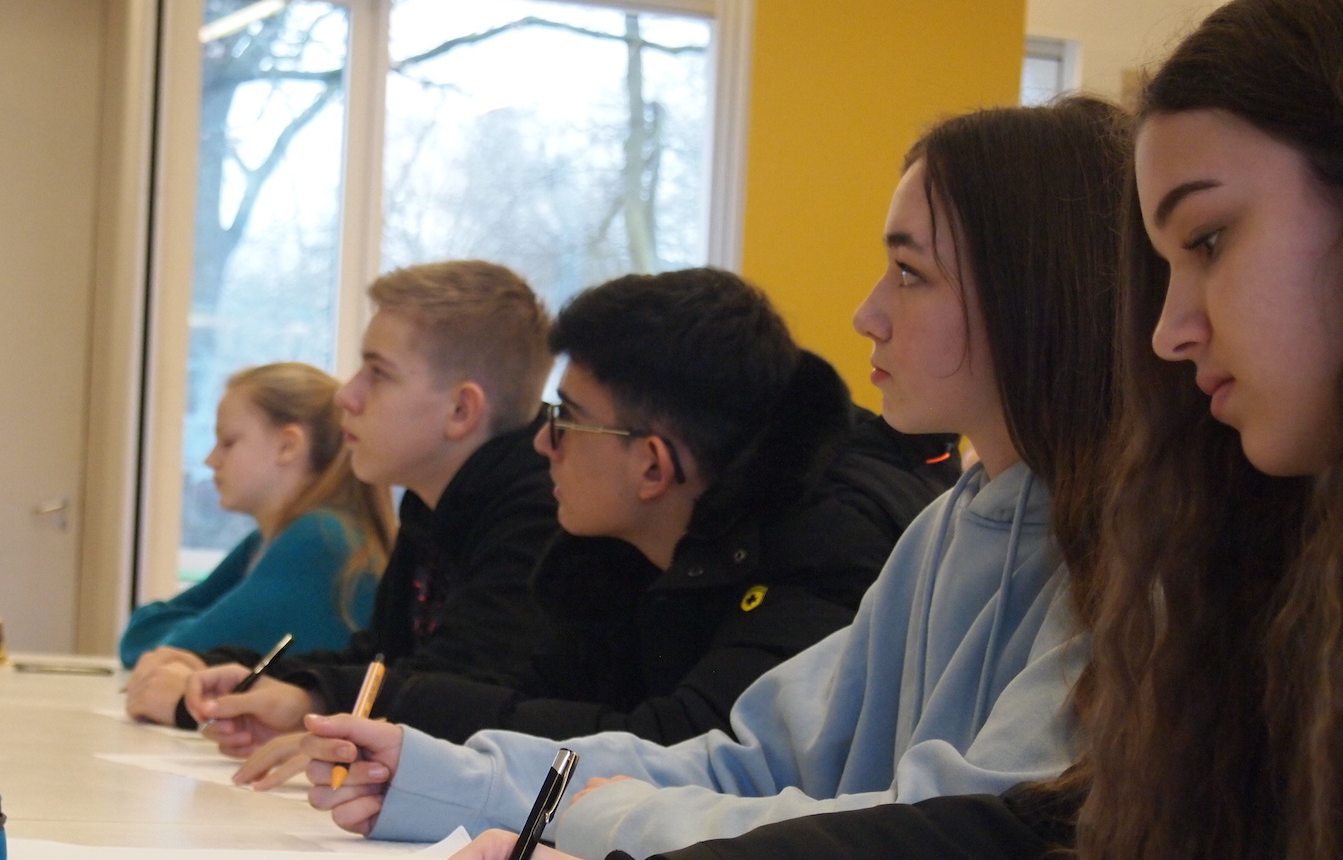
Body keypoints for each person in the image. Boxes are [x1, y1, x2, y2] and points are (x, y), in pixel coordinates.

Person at [400, 3, 1343, 860]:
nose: (1170, 329)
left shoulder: (1136, 547)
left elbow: (1006, 850)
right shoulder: (973, 528)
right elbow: (1016, 835)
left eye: (1210, 239)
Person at [299, 96, 1121, 857]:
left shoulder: (1112, 551)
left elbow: (951, 840)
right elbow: (748, 760)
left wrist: (604, 817)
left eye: (909, 273)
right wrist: (447, 776)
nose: (867, 314)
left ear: (1031, 295)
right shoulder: (945, 529)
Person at [217, 266, 952, 781]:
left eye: (567, 419)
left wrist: (378, 716)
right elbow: (553, 703)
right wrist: (343, 705)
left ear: (653, 467)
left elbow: (678, 749)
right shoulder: (615, 545)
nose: (542, 442)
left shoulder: (831, 544)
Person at [124, 260, 560, 735]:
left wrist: (276, 701)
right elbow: (379, 661)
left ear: (460, 409)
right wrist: (224, 669)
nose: (346, 396)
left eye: (378, 373)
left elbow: (457, 693)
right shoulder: (434, 506)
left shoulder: (539, 516)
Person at [121, 363, 393, 692]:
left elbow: (170, 651)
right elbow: (146, 637)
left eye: (228, 442)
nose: (210, 460)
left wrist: (173, 630)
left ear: (288, 445)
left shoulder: (318, 539)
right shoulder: (272, 538)